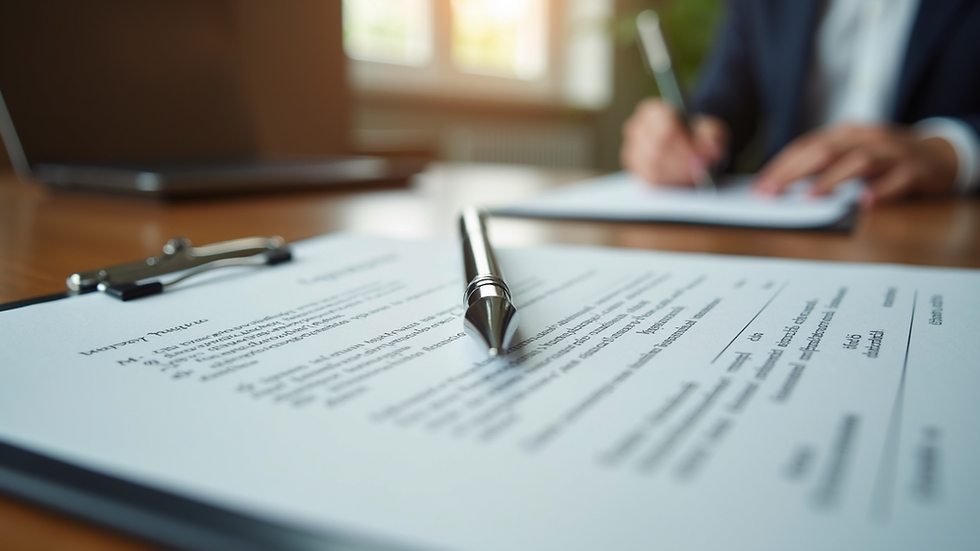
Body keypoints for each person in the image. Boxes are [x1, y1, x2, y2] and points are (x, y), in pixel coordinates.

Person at [621, 0, 980, 207]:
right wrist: (682, 144)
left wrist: (956, 150)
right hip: (784, 218)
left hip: (938, 219)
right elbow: (721, 107)